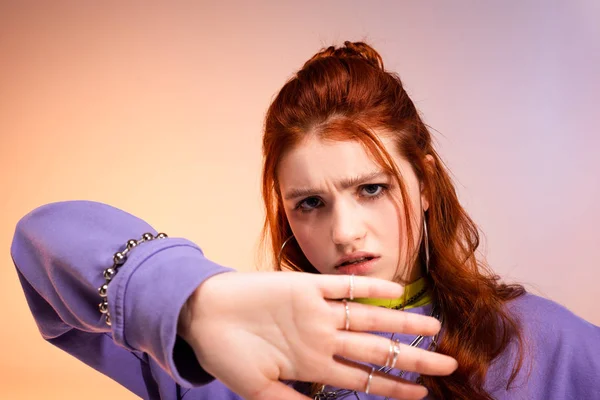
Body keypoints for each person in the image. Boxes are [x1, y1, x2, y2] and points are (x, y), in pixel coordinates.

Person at [10, 41, 600, 400]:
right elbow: (41, 240)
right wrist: (194, 305)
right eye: (310, 204)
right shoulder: (218, 345)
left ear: (423, 184)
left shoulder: (541, 347)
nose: (345, 232)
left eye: (371, 188)